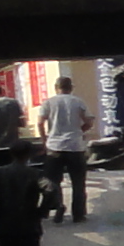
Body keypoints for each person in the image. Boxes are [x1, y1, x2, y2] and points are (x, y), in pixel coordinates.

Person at [40, 73, 95, 220]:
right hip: (75, 146)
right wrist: (79, 131)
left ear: (56, 88)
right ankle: (78, 214)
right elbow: (89, 121)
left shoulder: (49, 102)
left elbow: (40, 122)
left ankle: (58, 206)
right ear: (71, 88)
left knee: (53, 182)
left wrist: (44, 140)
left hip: (54, 146)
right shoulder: (78, 101)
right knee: (78, 183)